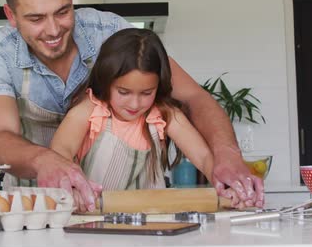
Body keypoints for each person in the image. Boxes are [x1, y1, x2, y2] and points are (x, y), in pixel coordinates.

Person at [0, 0, 264, 212]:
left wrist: (226, 156)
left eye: (62, 12)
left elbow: (195, 98)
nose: (53, 30)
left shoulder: (112, 32)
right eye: (36, 19)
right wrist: (46, 161)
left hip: (127, 208)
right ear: (11, 15)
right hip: (36, 206)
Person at [49, 28, 243, 212]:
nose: (135, 103)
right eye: (124, 92)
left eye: (146, 93)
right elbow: (60, 151)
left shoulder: (165, 114)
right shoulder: (90, 109)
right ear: (106, 82)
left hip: (152, 222)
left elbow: (203, 157)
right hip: (94, 220)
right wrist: (71, 184)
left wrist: (223, 185)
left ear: (159, 86)